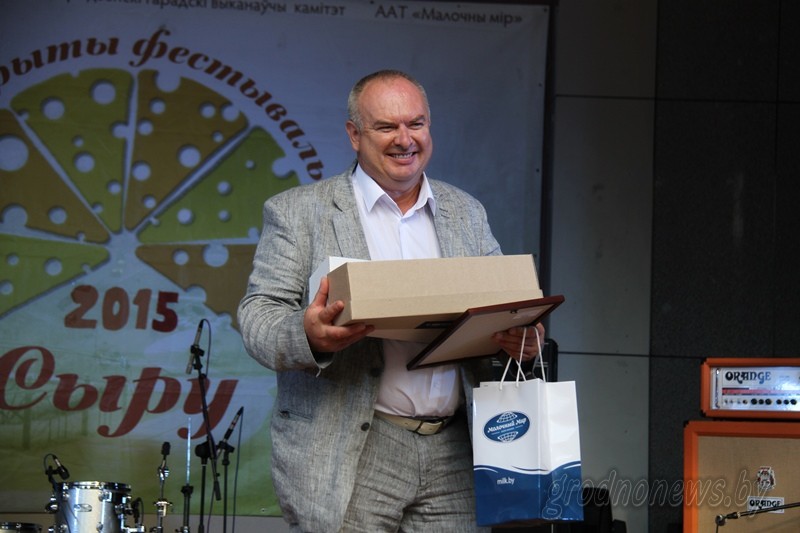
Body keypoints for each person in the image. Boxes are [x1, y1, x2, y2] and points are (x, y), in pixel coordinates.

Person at [238, 69, 544, 532]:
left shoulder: (466, 211)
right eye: (386, 127)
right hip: (354, 449)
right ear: (354, 135)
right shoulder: (298, 212)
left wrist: (524, 336)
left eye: (416, 124)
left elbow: (505, 305)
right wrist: (309, 335)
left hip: (455, 450)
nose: (405, 139)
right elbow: (258, 316)